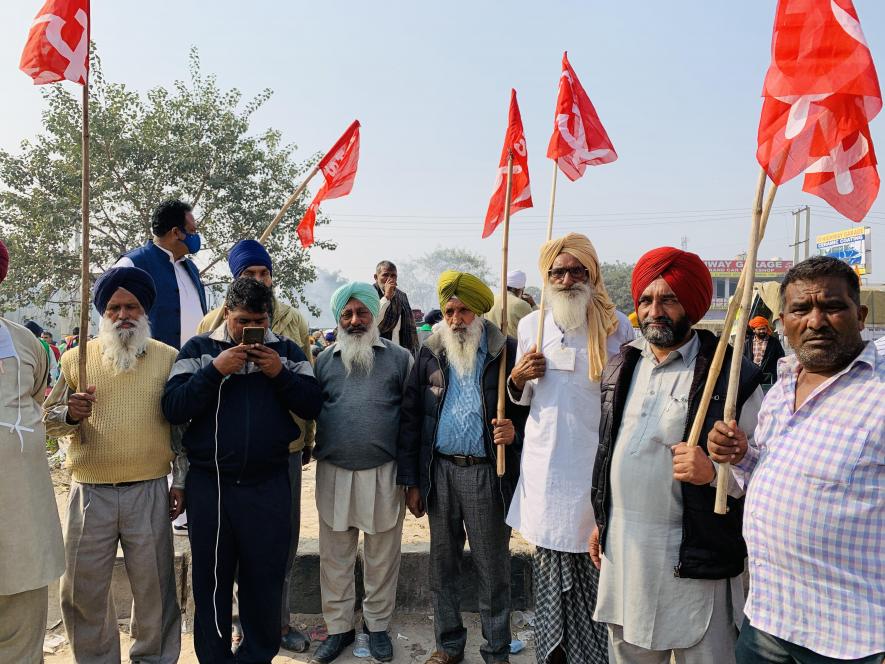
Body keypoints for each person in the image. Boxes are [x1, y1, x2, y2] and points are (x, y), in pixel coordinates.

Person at [589, 247, 763, 664]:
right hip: (626, 553)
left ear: (692, 304)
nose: (655, 311)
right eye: (646, 300)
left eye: (668, 299)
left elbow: (763, 470)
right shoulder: (622, 365)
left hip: (694, 558)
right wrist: (602, 518)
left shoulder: (733, 376)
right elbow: (610, 450)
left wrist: (714, 474)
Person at [708, 256, 885, 664]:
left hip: (854, 639)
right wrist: (741, 456)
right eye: (801, 310)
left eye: (833, 307)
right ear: (782, 320)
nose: (816, 321)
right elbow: (769, 473)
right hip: (770, 618)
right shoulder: (783, 384)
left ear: (859, 315)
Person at [162, 277, 323, 663]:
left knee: (263, 581)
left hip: (268, 485)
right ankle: (215, 658)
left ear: (269, 317)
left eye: (259, 321)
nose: (251, 331)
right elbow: (173, 407)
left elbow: (313, 404)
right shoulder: (200, 350)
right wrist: (215, 370)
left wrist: (279, 374)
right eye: (242, 322)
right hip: (211, 487)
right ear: (226, 314)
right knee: (212, 582)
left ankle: (255, 655)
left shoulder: (285, 351)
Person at [43, 266, 183, 663]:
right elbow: (47, 422)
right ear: (102, 314)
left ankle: (152, 658)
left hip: (150, 489)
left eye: (132, 307)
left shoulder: (167, 358)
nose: (124, 315)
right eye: (114, 308)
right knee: (82, 591)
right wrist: (70, 414)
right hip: (89, 493)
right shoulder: (76, 360)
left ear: (145, 311)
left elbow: (181, 430)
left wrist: (182, 481)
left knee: (155, 591)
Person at [507, 233, 634, 664]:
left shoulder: (619, 326)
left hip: (596, 471)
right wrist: (519, 376)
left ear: (590, 274)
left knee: (595, 567)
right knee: (547, 569)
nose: (566, 279)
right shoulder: (531, 325)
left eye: (575, 270)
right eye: (557, 272)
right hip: (545, 471)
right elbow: (519, 398)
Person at [398, 271, 528, 664]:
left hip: (486, 473)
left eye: (464, 311)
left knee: (493, 568)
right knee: (443, 565)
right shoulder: (430, 350)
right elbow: (410, 417)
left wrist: (514, 430)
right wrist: (413, 481)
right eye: (449, 310)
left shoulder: (505, 350)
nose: (455, 319)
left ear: (480, 311)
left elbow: (531, 410)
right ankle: (449, 645)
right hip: (440, 472)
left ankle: (496, 648)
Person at [196, 239, 315, 651]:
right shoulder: (208, 331)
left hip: (279, 458)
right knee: (218, 562)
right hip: (217, 471)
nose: (259, 279)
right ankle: (229, 631)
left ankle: (275, 628)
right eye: (250, 275)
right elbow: (182, 401)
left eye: (264, 273)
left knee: (273, 553)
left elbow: (310, 391)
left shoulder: (290, 326)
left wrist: (279, 374)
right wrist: (216, 369)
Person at [310, 283, 413, 663]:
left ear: (375, 316)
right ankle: (339, 629)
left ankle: (378, 627)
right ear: (338, 319)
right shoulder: (323, 361)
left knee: (382, 557)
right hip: (334, 470)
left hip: (384, 472)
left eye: (362, 313)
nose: (355, 321)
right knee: (334, 557)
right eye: (347, 314)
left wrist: (411, 477)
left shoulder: (400, 359)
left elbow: (411, 419)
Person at [0, 241, 66, 664]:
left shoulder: (25, 343)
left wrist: (70, 415)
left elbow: (43, 403)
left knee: (23, 635)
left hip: (23, 516)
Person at [116, 199, 207, 349]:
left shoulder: (190, 268)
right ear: (176, 232)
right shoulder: (131, 264)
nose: (196, 236)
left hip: (192, 365)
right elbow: (109, 317)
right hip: (149, 366)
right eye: (192, 231)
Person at [374, 260, 419, 353]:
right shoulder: (370, 294)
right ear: (376, 277)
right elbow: (371, 322)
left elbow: (411, 326)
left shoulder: (401, 295)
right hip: (378, 349)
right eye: (385, 275)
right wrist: (386, 297)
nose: (390, 279)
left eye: (393, 276)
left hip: (400, 349)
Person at [484, 269, 535, 335]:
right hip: (514, 344)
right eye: (523, 289)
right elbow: (538, 324)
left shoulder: (491, 300)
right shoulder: (521, 304)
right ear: (519, 289)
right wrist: (533, 304)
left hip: (493, 344)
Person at [743, 316, 785, 385]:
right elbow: (743, 359)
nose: (762, 331)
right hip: (751, 379)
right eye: (759, 329)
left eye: (764, 329)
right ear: (754, 330)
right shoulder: (747, 343)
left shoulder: (774, 342)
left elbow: (781, 359)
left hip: (769, 379)